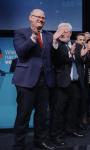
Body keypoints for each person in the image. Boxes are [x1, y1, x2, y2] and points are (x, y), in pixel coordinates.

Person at [12, 9, 55, 150]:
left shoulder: (49, 36)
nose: (41, 19)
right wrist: (33, 37)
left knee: (42, 115)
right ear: (30, 17)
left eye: (43, 18)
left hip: (45, 81)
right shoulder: (20, 32)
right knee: (23, 115)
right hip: (26, 81)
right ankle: (19, 144)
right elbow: (21, 52)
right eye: (38, 17)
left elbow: (52, 57)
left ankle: (40, 141)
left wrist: (57, 44)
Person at [50, 23, 85, 146]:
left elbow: (81, 63)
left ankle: (70, 129)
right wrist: (70, 53)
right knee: (58, 111)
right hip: (61, 83)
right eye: (61, 31)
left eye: (66, 31)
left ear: (70, 33)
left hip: (75, 83)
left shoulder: (78, 45)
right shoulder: (56, 45)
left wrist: (84, 57)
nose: (64, 33)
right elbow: (57, 60)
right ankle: (56, 135)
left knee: (73, 109)